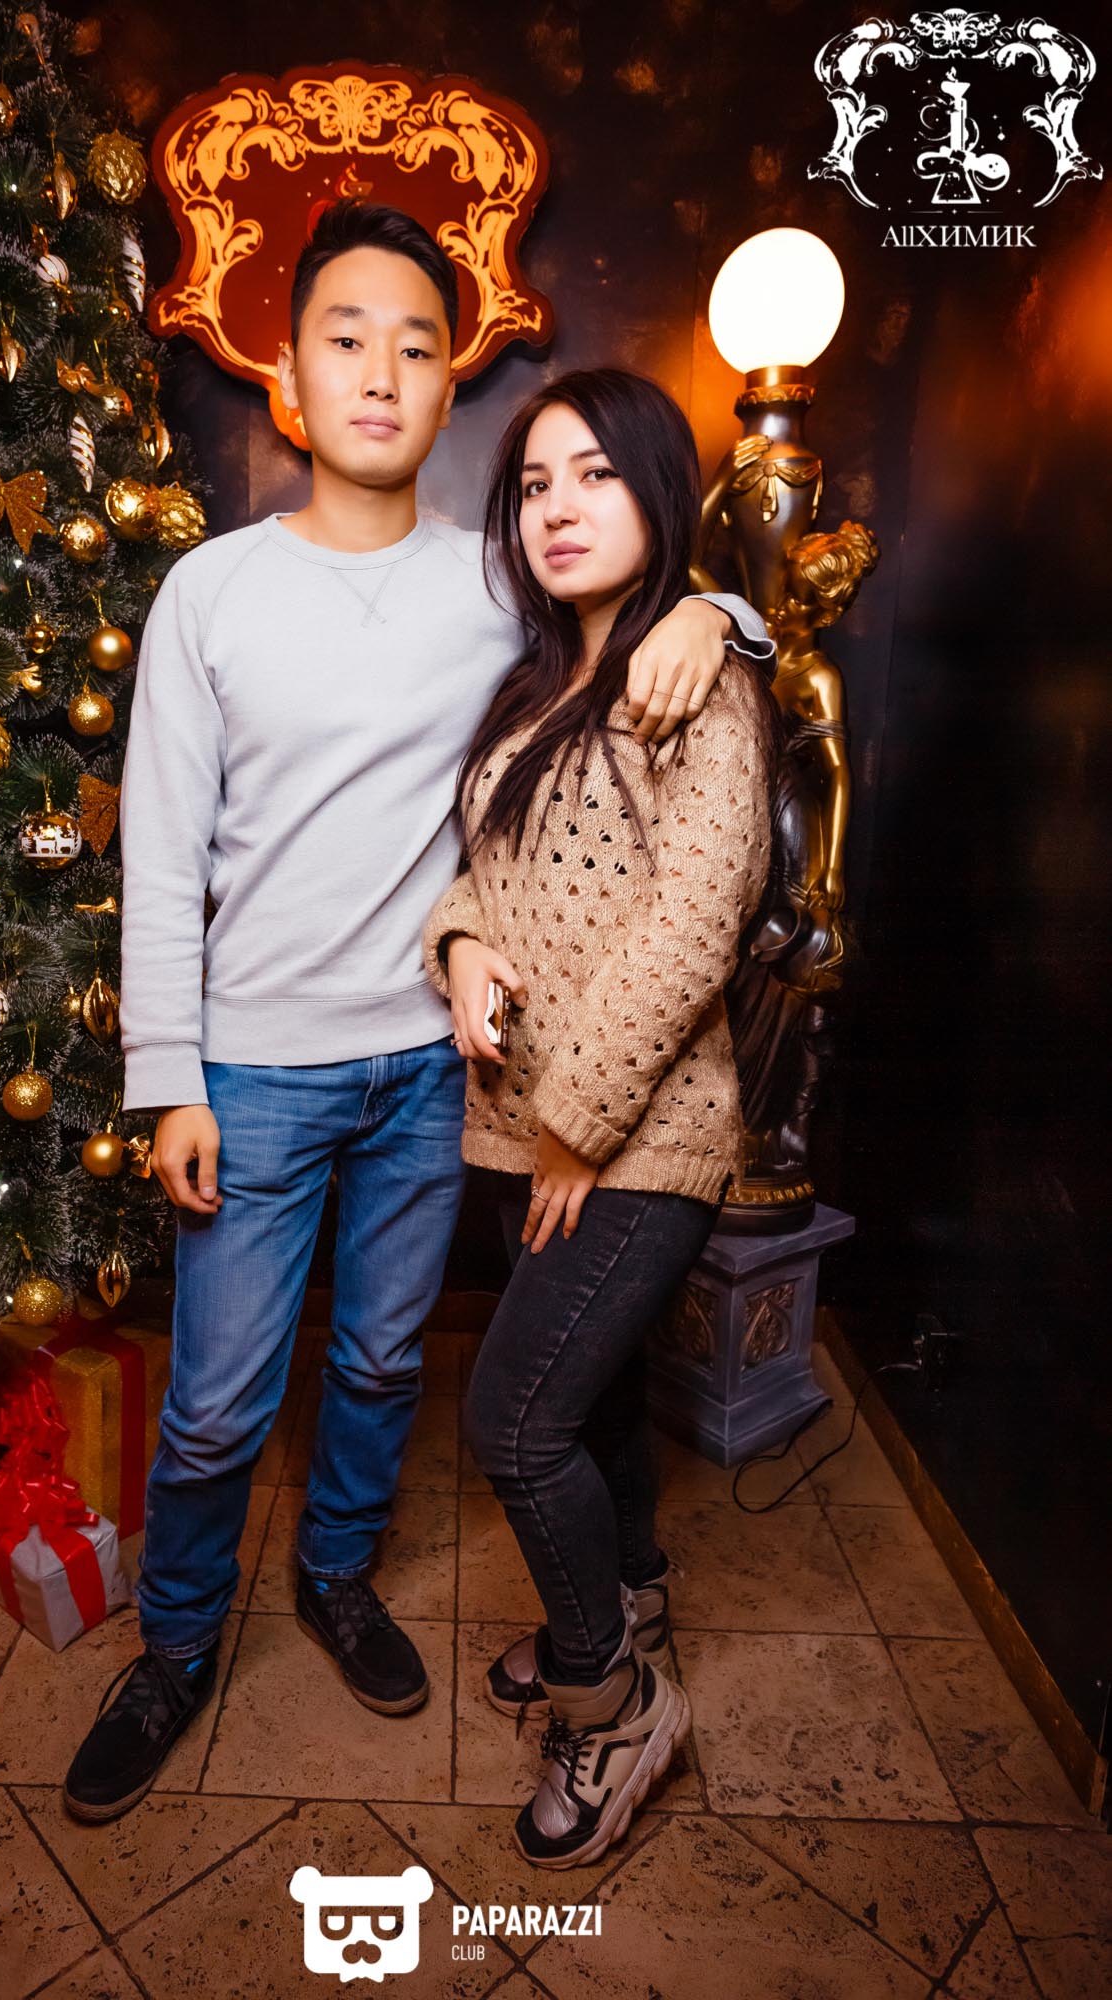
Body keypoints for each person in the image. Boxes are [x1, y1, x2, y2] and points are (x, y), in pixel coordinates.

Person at [62, 200, 774, 1824]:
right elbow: (158, 852)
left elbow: (645, 618)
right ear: (288, 376)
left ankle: (335, 1578)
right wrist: (170, 1078)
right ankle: (175, 1650)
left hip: (427, 1073)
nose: (380, 373)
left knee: (385, 1363)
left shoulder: (498, 579)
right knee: (219, 1402)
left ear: (451, 385)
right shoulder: (211, 591)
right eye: (346, 338)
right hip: (252, 1067)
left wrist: (714, 614)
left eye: (414, 346)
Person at [420, 366, 781, 1868]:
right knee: (598, 1397)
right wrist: (459, 945)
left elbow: (695, 927)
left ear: (659, 491)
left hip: (636, 1139)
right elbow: (484, 870)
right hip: (530, 1136)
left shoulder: (700, 679)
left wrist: (576, 1125)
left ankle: (614, 1701)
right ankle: (623, 1601)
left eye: (595, 475)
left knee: (515, 1422)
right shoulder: (539, 687)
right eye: (531, 485)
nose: (557, 508)